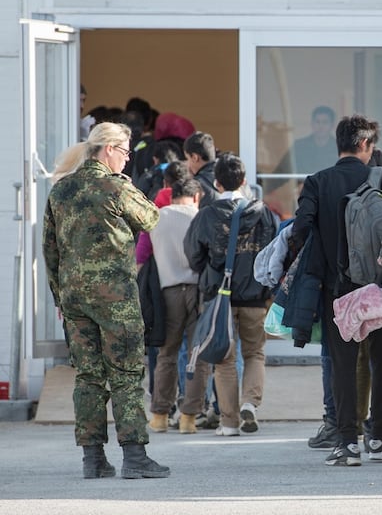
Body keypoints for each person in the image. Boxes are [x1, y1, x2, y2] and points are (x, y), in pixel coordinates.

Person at [43, 121, 169, 479]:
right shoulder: (117, 188)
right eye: (126, 152)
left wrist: (59, 296)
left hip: (74, 299)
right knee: (127, 373)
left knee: (88, 377)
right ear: (109, 149)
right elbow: (151, 217)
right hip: (115, 297)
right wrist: (129, 190)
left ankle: (93, 459)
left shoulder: (61, 190)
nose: (128, 160)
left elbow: (49, 250)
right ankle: (134, 456)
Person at [289, 114, 382, 466]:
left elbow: (300, 231)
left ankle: (347, 443)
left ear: (340, 143)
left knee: (343, 365)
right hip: (380, 289)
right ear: (366, 145)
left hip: (338, 290)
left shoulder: (318, 182)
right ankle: (379, 439)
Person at [185, 154, 277, 436]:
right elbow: (275, 253)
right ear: (245, 181)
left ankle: (229, 422)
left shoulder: (208, 215)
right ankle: (250, 402)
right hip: (255, 297)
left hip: (218, 299)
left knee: (223, 360)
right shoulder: (264, 214)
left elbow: (193, 255)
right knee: (255, 354)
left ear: (216, 182)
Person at [148, 178, 211, 435]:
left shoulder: (156, 217)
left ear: (171, 194)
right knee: (197, 355)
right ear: (196, 196)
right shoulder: (201, 218)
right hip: (198, 292)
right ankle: (188, 418)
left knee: (166, 354)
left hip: (168, 292)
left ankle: (160, 415)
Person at [183, 132, 218, 207]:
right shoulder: (233, 176)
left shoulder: (196, 186)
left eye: (187, 158)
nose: (186, 163)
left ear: (195, 157)